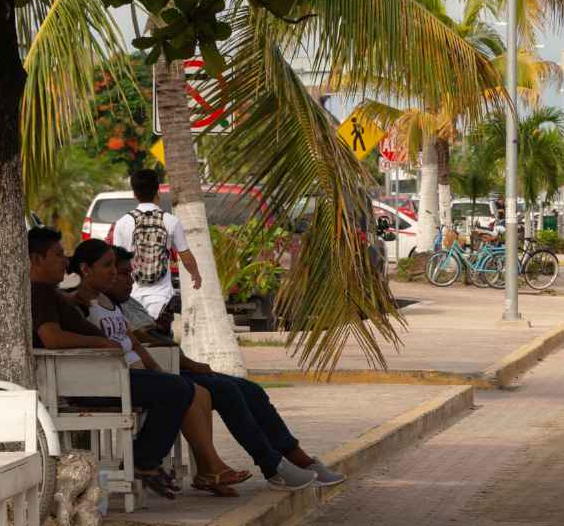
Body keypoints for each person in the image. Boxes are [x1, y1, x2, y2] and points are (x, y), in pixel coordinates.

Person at [103, 246, 343, 488]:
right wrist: (187, 362)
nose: (128, 281)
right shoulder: (101, 308)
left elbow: (153, 337)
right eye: (121, 274)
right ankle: (272, 464)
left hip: (174, 366)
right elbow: (140, 345)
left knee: (251, 390)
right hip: (160, 372)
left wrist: (161, 329)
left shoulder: (129, 304)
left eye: (128, 274)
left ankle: (299, 459)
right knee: (228, 391)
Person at [28, 226, 200, 498]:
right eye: (58, 254)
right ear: (36, 260)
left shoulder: (52, 293)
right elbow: (52, 338)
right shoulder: (38, 293)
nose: (64, 260)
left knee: (180, 386)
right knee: (177, 389)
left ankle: (146, 460)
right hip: (91, 382)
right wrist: (102, 343)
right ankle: (144, 460)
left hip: (103, 375)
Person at [111, 168, 202, 321]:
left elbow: (116, 261)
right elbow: (185, 256)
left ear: (134, 193)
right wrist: (196, 275)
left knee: (138, 339)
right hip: (162, 297)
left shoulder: (122, 223)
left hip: (131, 296)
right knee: (160, 338)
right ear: (157, 190)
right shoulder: (170, 221)